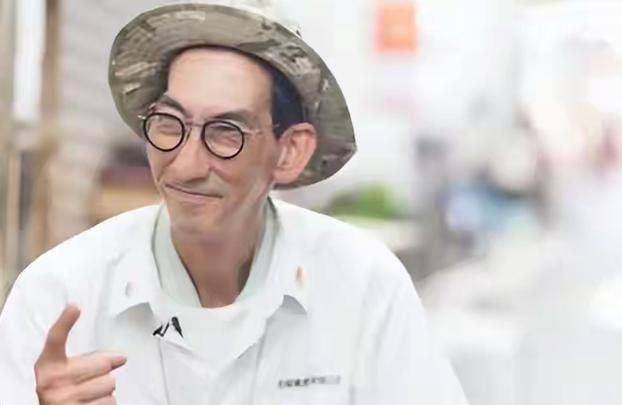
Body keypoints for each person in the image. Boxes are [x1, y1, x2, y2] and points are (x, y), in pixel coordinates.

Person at [0, 2, 468, 404]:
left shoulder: (363, 286)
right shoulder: (59, 292)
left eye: (226, 133)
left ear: (290, 151)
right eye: (169, 124)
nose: (185, 165)